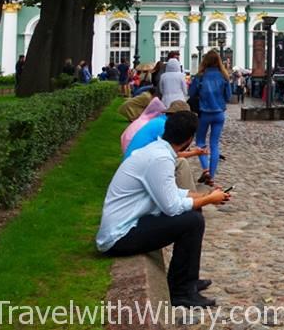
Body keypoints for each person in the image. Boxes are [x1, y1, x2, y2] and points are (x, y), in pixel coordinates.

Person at [96, 110, 230, 308]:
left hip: (129, 223)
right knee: (192, 222)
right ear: (189, 138)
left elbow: (172, 192)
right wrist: (208, 199)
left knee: (193, 213)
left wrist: (205, 197)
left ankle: (187, 280)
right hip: (119, 235)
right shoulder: (160, 158)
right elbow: (172, 207)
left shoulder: (158, 151)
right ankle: (180, 292)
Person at [123, 101, 208, 189]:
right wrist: (195, 153)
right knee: (182, 163)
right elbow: (173, 154)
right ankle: (191, 197)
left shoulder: (161, 121)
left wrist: (193, 151)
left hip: (134, 162)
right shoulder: (164, 126)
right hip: (141, 166)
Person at [189, 51, 232, 181]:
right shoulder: (224, 76)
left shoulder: (200, 76)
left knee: (200, 141)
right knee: (214, 144)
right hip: (219, 113)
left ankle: (205, 169)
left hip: (204, 113)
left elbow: (191, 93)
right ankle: (212, 176)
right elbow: (228, 97)